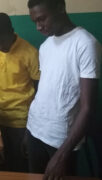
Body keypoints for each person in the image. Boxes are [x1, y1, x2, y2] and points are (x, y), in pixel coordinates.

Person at [26, 0, 101, 179]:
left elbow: (87, 108)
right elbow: (45, 92)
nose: (38, 27)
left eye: (42, 19)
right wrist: (29, 130)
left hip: (61, 140)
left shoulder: (85, 44)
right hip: (34, 130)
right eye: (34, 21)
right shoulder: (45, 46)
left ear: (60, 7)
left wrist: (62, 155)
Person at [0, 12, 40, 172]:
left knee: (19, 166)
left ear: (12, 31)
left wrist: (31, 129)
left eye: (2, 40)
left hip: (22, 122)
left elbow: (40, 91)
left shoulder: (30, 53)